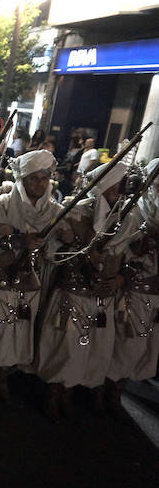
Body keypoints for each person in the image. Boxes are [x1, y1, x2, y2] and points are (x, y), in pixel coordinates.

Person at [37, 162, 128, 421]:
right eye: (113, 188)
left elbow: (129, 257)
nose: (118, 194)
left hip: (102, 297)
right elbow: (52, 253)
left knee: (91, 349)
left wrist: (121, 276)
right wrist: (77, 246)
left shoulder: (124, 218)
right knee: (65, 347)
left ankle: (70, 394)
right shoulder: (74, 213)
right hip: (72, 292)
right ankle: (53, 393)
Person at [0, 150, 60, 407]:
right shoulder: (3, 204)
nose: (38, 184)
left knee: (20, 333)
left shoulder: (54, 211)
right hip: (3, 279)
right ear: (22, 180)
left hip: (32, 282)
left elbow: (55, 252)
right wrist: (17, 239)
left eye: (43, 179)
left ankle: (4, 378)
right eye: (33, 179)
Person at [106, 158, 159, 415]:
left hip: (154, 293)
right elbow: (115, 249)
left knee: (143, 348)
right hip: (130, 291)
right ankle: (103, 392)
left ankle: (119, 389)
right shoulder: (133, 212)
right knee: (122, 344)